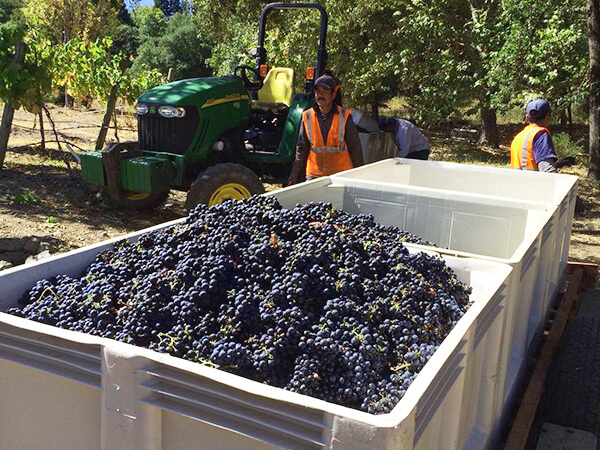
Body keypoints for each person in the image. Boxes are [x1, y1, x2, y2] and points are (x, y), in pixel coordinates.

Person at [288, 75, 363, 184]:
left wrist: (359, 174)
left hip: (341, 176)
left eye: (325, 91)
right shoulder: (307, 116)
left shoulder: (344, 116)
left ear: (333, 95)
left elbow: (355, 148)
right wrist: (295, 173)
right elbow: (301, 148)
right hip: (314, 176)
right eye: (317, 91)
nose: (320, 94)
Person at [510, 99, 559, 172]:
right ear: (547, 116)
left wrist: (558, 164)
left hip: (517, 182)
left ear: (527, 117)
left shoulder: (518, 137)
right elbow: (547, 170)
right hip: (533, 183)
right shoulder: (541, 134)